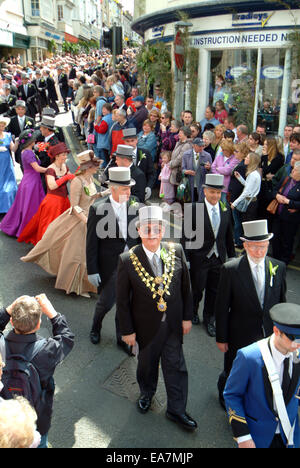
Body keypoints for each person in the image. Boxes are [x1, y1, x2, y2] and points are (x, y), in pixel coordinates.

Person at [116, 206, 197, 431]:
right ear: (139, 231)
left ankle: (177, 410)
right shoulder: (127, 259)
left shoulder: (176, 250)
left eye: (157, 228)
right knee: (146, 365)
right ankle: (146, 393)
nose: (152, 233)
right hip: (145, 326)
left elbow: (186, 288)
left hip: (172, 324)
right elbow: (122, 301)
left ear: (163, 231)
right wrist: (127, 331)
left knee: (176, 366)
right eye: (147, 229)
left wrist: (187, 317)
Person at [215, 219, 287, 409]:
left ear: (268, 244)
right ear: (245, 245)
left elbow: (281, 303)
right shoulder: (230, 270)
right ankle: (226, 394)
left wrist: (283, 331)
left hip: (268, 333)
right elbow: (221, 307)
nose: (259, 252)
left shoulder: (278, 267)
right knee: (233, 369)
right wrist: (221, 338)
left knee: (262, 368)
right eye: (254, 247)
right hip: (239, 331)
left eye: (263, 247)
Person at [21, 151, 109, 297]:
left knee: (89, 253)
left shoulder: (90, 179)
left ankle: (86, 284)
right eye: (95, 165)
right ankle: (76, 286)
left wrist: (102, 194)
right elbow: (74, 206)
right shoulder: (76, 181)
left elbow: (90, 197)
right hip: (79, 221)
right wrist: (86, 221)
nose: (97, 168)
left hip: (90, 217)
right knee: (79, 254)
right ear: (88, 167)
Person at [0, 294, 74, 448]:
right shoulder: (46, 350)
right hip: (37, 416)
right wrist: (52, 313)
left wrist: (7, 311)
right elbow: (66, 338)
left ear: (12, 322)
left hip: (6, 416)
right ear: (38, 324)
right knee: (39, 440)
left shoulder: (1, 345)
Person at [224, 303, 300, 448]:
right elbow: (232, 395)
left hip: (290, 435)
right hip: (257, 436)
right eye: (293, 338)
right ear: (276, 331)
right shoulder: (249, 357)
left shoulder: (298, 355)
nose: (298, 345)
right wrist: (242, 436)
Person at [86, 166, 140, 351]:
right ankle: (96, 327)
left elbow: (139, 235)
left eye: (130, 188)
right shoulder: (98, 208)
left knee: (126, 305)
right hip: (110, 265)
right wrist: (92, 269)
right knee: (106, 303)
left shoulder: (135, 204)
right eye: (125, 188)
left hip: (132, 264)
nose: (129, 192)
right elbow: (91, 243)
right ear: (114, 189)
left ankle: (122, 338)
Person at [186, 174, 235, 336]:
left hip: (218, 258)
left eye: (218, 192)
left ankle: (209, 319)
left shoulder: (225, 208)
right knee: (197, 288)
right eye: (212, 192)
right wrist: (186, 258)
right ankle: (192, 311)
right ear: (205, 191)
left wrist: (232, 256)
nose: (215, 196)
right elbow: (186, 236)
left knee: (214, 291)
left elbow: (228, 235)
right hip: (200, 258)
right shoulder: (194, 208)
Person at [17, 143, 74, 245]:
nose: (66, 157)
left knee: (64, 226)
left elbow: (72, 180)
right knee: (49, 227)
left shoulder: (65, 166)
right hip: (53, 203)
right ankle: (46, 248)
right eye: (63, 155)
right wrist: (65, 177)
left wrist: (80, 176)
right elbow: (52, 186)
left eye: (66, 154)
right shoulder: (50, 169)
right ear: (56, 156)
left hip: (64, 201)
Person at [0, 129, 46, 238]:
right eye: (34, 138)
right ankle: (28, 229)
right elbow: (37, 168)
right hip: (32, 182)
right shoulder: (29, 153)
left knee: (23, 205)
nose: (35, 140)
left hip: (27, 180)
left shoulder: (24, 151)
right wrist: (50, 170)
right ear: (31, 141)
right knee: (31, 206)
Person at [271, 162, 300, 265]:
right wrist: (277, 196)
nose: (292, 171)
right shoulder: (286, 179)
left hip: (291, 219)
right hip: (278, 215)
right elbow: (274, 190)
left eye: (295, 170)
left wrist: (289, 202)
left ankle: (284, 262)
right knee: (275, 238)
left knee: (287, 241)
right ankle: (275, 259)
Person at [122, 127, 156, 199]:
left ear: (137, 140)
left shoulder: (145, 153)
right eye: (127, 141)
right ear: (124, 142)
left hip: (141, 191)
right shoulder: (119, 155)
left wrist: (149, 187)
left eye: (132, 140)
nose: (130, 143)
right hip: (124, 192)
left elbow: (152, 173)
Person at [231, 151, 262, 223]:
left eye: (247, 157)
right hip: (251, 202)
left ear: (251, 161)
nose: (245, 158)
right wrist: (240, 178)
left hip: (250, 203)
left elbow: (247, 192)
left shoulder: (253, 174)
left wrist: (235, 203)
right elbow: (248, 186)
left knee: (247, 225)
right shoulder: (254, 173)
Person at [182, 137, 212, 202]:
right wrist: (186, 171)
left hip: (201, 185)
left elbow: (211, 172)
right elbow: (182, 169)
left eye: (203, 146)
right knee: (189, 207)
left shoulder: (207, 155)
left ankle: (198, 212)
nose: (201, 148)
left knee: (199, 208)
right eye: (199, 146)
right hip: (189, 184)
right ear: (194, 145)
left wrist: (209, 168)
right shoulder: (186, 155)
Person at [0, 116, 18, 214]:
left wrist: (17, 142)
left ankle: (10, 206)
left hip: (7, 163)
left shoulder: (7, 135)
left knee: (9, 183)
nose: (1, 128)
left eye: (3, 126)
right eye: (0, 126)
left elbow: (13, 149)